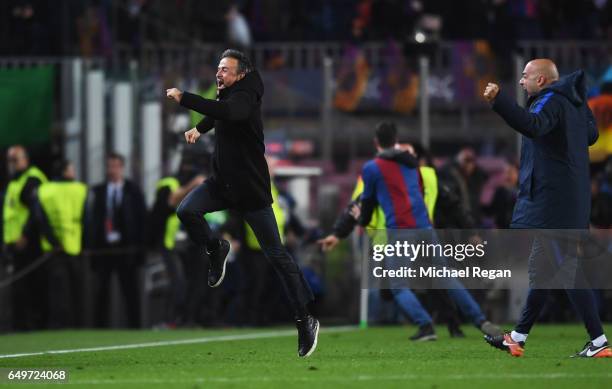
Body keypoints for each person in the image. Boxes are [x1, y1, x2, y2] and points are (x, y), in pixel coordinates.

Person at [165, 48, 318, 357]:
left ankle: (305, 319)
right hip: (222, 184)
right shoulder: (230, 94)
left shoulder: (246, 99)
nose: (219, 73)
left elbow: (230, 112)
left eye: (225, 69)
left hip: (250, 192)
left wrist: (186, 98)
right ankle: (215, 248)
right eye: (218, 68)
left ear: (241, 74)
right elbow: (219, 111)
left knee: (276, 256)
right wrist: (200, 127)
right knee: (187, 210)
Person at [318, 122, 500, 341]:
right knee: (444, 278)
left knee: (398, 287)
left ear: (376, 143)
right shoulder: (414, 167)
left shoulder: (372, 169)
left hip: (400, 232)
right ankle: (481, 320)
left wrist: (356, 223)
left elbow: (364, 205)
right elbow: (452, 204)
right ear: (396, 143)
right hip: (426, 230)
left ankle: (425, 326)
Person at [483, 58, 611, 358]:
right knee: (543, 269)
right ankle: (517, 337)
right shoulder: (576, 101)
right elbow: (591, 136)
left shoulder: (551, 100)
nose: (521, 81)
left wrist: (499, 101)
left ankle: (599, 341)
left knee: (565, 270)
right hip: (570, 199)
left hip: (555, 202)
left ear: (541, 81)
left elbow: (533, 125)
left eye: (525, 76)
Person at [90, 152, 146, 328]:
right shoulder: (98, 191)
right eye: (109, 166)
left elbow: (141, 218)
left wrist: (139, 247)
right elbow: (93, 219)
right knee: (101, 291)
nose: (112, 170)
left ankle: (135, 327)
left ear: (122, 168)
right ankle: (99, 328)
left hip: (126, 248)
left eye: (115, 166)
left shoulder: (133, 190)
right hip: (104, 248)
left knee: (130, 290)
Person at [36, 160, 87, 328]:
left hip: (53, 250)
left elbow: (41, 220)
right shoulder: (80, 189)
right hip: (75, 246)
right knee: (76, 292)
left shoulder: (44, 191)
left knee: (58, 293)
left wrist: (54, 241)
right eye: (72, 169)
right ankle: (78, 325)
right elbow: (88, 218)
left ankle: (58, 325)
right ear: (65, 172)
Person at [2, 145, 48, 330]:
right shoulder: (14, 182)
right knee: (19, 290)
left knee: (33, 288)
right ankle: (22, 327)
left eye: (15, 159)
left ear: (25, 159)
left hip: (29, 243)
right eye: (9, 160)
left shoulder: (32, 179)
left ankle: (37, 326)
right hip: (14, 244)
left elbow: (35, 211)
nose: (12, 164)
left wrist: (25, 234)